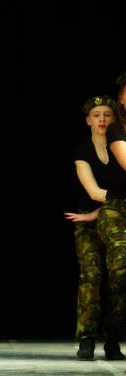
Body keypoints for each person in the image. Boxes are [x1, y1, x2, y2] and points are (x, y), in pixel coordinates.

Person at [63, 95, 117, 360]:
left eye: (108, 114)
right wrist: (96, 213)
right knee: (91, 277)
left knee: (118, 279)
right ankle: (86, 338)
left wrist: (103, 211)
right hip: (87, 219)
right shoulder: (82, 151)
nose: (102, 119)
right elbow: (95, 192)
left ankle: (113, 339)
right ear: (88, 120)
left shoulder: (122, 148)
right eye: (97, 115)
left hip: (119, 218)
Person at [94, 70, 126, 361]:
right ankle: (112, 335)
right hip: (118, 209)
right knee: (120, 271)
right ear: (122, 98)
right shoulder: (117, 129)